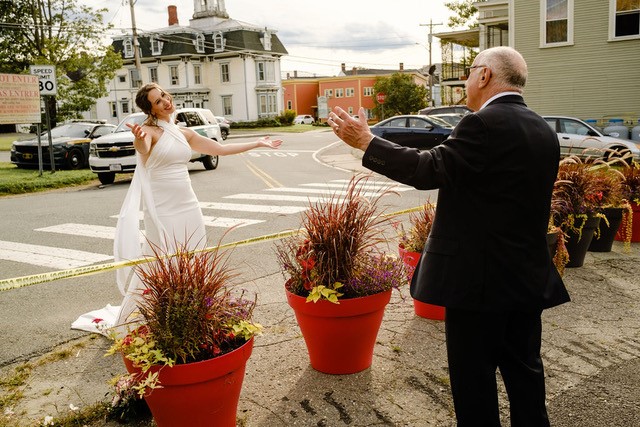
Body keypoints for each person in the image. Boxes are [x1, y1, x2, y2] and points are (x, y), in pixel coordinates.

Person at [328, 46, 570, 426]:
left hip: (477, 286)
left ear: (485, 76)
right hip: (526, 279)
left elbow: (430, 170)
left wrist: (366, 143)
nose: (465, 82)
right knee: (526, 379)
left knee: (474, 388)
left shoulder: (482, 124)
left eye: (470, 72)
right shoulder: (543, 130)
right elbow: (456, 161)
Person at [72, 83, 282, 333]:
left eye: (163, 95)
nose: (165, 101)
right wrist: (138, 140)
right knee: (160, 256)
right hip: (162, 207)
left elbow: (221, 150)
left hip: (188, 203)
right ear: (150, 109)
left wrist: (257, 143)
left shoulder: (183, 133)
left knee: (193, 253)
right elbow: (143, 148)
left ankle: (189, 311)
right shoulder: (148, 131)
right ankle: (140, 316)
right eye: (158, 101)